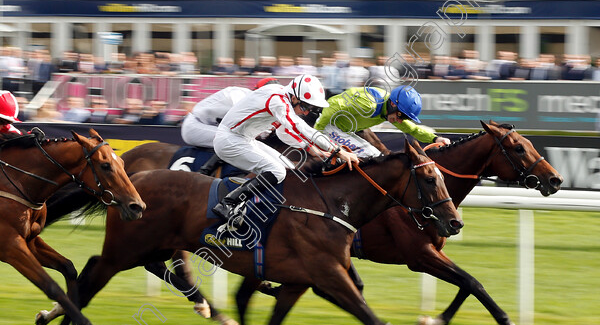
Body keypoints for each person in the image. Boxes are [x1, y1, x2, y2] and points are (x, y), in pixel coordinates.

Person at [211, 74, 358, 220]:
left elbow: (283, 131)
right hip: (229, 140)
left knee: (289, 168)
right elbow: (300, 127)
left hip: (243, 139)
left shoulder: (283, 96)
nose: (306, 112)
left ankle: (263, 206)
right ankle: (229, 203)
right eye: (305, 106)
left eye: (310, 108)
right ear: (294, 98)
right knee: (277, 171)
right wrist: (337, 150)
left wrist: (311, 149)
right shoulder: (278, 101)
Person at [313, 85, 450, 158]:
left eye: (405, 118)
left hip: (343, 128)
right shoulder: (370, 104)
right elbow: (332, 105)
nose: (401, 121)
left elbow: (413, 129)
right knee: (371, 154)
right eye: (402, 116)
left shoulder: (391, 111)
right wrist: (316, 133)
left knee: (376, 154)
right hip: (329, 125)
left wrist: (435, 138)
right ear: (393, 105)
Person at [180, 78, 278, 175]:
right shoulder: (239, 94)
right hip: (195, 126)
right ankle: (204, 172)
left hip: (210, 126)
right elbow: (243, 118)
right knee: (234, 140)